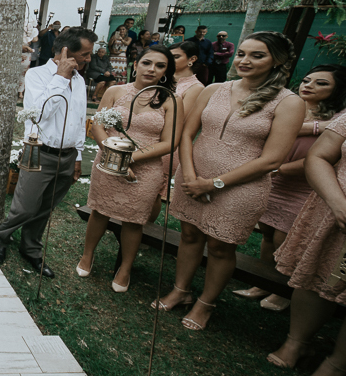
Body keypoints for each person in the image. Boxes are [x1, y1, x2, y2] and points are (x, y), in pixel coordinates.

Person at [154, 32, 305, 331]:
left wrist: (214, 184)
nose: (245, 60)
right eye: (243, 53)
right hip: (193, 175)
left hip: (240, 187)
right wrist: (192, 175)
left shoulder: (288, 102)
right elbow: (185, 134)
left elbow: (272, 160)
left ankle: (206, 304)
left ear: (277, 61)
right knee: (189, 235)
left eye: (257, 55)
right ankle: (181, 290)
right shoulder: (215, 90)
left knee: (221, 247)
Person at [235, 64, 346, 310]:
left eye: (321, 83)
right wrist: (315, 127)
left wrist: (281, 168)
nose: (309, 85)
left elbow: (323, 158)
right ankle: (263, 281)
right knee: (266, 234)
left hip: (303, 187)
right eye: (307, 80)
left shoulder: (339, 119)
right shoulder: (291, 107)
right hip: (273, 181)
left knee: (285, 239)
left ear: (338, 90)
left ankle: (284, 289)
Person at [0, 27, 98, 275]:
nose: (88, 60)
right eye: (85, 54)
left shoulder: (80, 80)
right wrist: (60, 78)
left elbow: (80, 119)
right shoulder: (37, 75)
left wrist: (78, 156)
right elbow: (39, 115)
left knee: (45, 209)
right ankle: (1, 238)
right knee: (25, 207)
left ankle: (31, 249)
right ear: (65, 52)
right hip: (39, 152)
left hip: (68, 156)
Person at [78, 47, 182, 292]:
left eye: (160, 66)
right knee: (99, 210)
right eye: (146, 63)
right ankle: (87, 255)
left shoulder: (170, 100)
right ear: (135, 64)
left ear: (166, 71)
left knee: (134, 220)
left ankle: (125, 268)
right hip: (108, 162)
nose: (151, 69)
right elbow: (98, 127)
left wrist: (131, 158)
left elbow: (170, 142)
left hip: (145, 168)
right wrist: (115, 155)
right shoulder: (115, 92)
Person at [267, 112, 346, 376]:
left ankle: (338, 364)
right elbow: (320, 156)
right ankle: (297, 341)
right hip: (334, 204)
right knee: (315, 274)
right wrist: (338, 203)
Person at [159, 41, 206, 207]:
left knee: (154, 192)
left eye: (176, 57)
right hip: (148, 135)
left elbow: (180, 121)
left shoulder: (195, 88)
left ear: (192, 59)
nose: (170, 61)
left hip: (169, 143)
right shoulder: (162, 79)